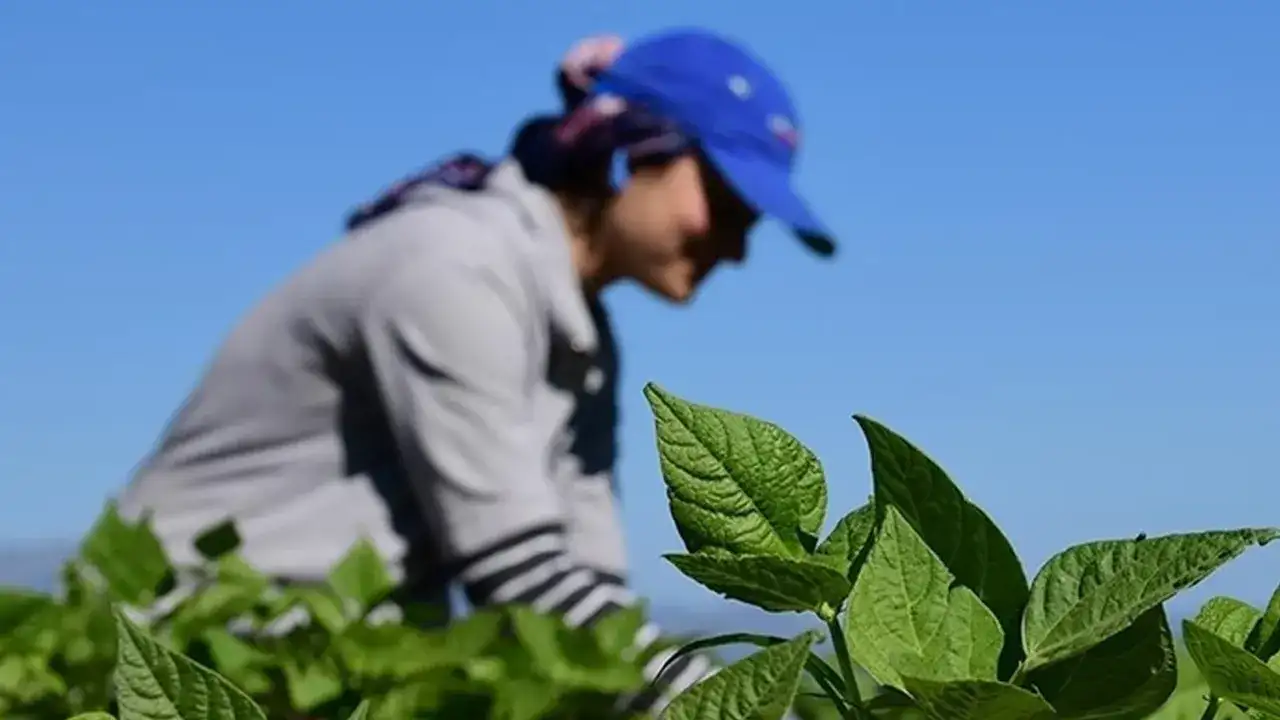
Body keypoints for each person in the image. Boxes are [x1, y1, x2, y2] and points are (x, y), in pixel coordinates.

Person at [116, 26, 837, 714]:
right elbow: (520, 577)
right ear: (628, 152)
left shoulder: (580, 338)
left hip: (316, 662)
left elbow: (594, 594)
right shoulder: (453, 268)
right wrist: (733, 711)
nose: (736, 248)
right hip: (175, 643)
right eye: (727, 205)